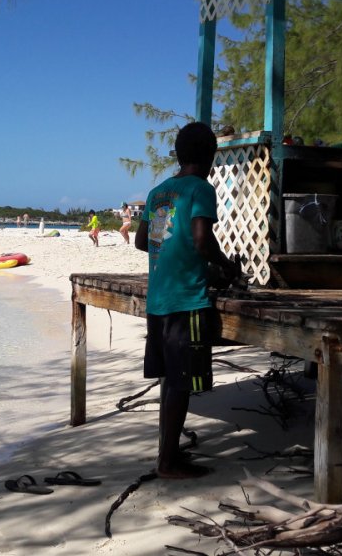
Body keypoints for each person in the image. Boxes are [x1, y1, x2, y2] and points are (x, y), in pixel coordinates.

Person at [135, 122, 241, 479]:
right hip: (186, 301)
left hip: (158, 301)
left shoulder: (158, 192)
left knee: (170, 381)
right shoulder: (201, 189)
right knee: (181, 385)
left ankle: (168, 452)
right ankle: (167, 462)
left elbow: (141, 240)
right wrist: (226, 265)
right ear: (210, 157)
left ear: (178, 155)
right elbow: (200, 240)